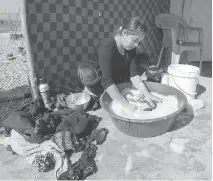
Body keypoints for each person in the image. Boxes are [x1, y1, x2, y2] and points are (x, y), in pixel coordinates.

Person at [78, 16, 161, 115]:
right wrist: (126, 105)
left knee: (142, 57)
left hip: (115, 75)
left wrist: (147, 94)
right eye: (135, 40)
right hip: (100, 77)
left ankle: (114, 91)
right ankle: (95, 92)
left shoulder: (131, 49)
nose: (136, 45)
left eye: (139, 42)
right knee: (87, 72)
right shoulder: (107, 46)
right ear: (124, 33)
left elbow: (133, 74)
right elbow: (106, 81)